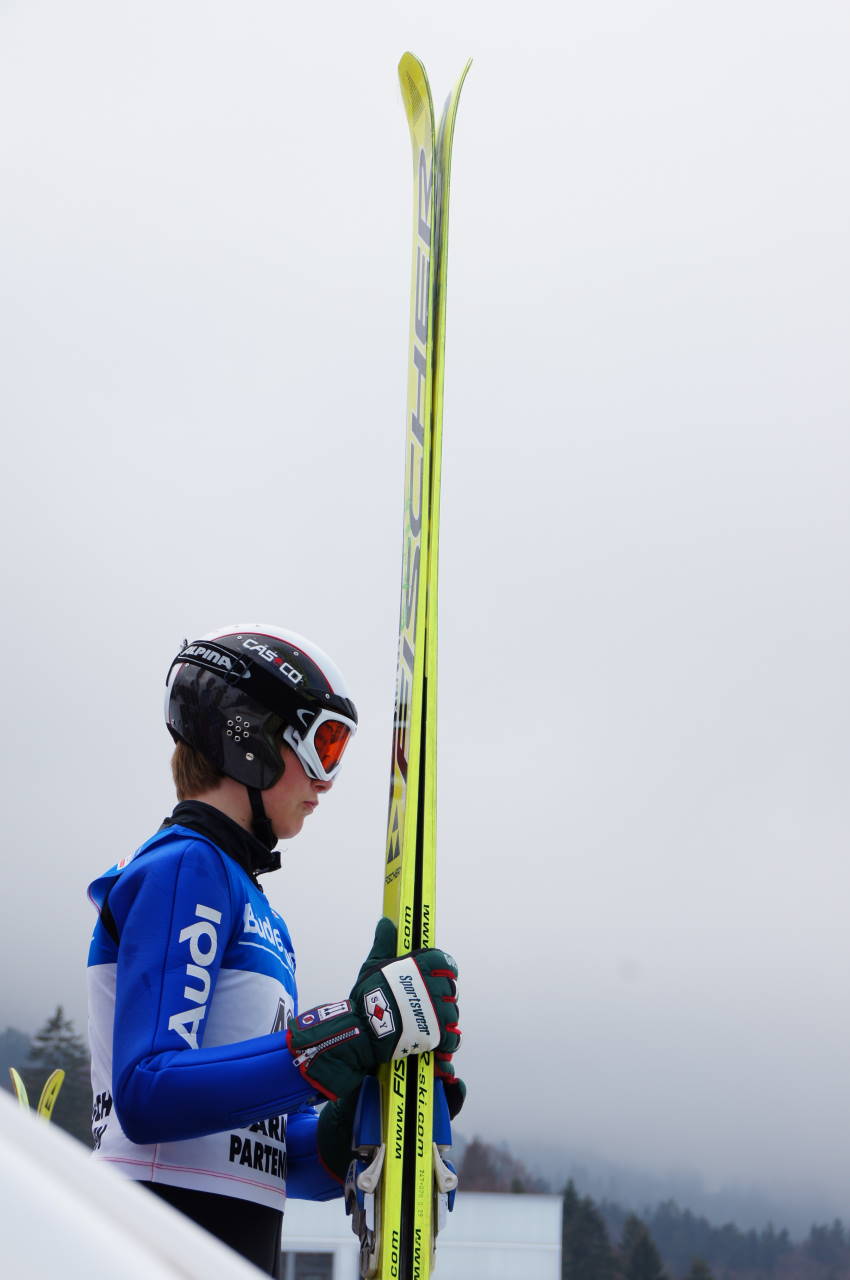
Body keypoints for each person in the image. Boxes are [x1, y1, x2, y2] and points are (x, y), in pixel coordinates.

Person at [86, 624, 462, 1275]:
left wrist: (364, 1115)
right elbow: (148, 1094)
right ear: (249, 737)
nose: (327, 780)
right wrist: (349, 1031)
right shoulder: (186, 866)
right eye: (323, 744)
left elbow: (267, 1157)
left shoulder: (261, 914)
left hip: (226, 1248)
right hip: (153, 1243)